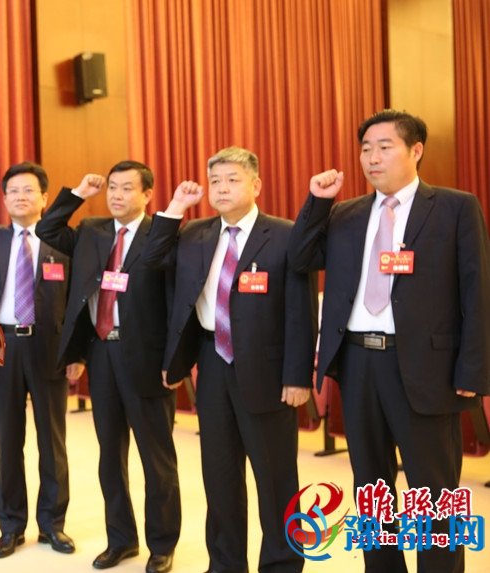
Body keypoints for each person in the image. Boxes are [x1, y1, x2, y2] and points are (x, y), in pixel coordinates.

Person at [288, 109, 490, 573]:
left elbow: (477, 291)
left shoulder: (455, 208)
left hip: (427, 368)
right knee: (371, 488)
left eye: (384, 147)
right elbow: (299, 258)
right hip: (359, 364)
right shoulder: (345, 214)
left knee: (434, 494)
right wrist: (318, 202)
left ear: (416, 150)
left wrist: (474, 370)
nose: (372, 158)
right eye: (365, 149)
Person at [141, 147, 316, 573]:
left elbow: (301, 310)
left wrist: (298, 376)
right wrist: (175, 208)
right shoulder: (194, 234)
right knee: (219, 476)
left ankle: (282, 565)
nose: (222, 188)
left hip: (269, 371)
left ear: (256, 185)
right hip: (212, 362)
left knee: (276, 479)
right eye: (215, 181)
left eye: (232, 180)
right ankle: (225, 564)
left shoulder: (285, 235)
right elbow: (151, 260)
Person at [35, 161, 180, 573]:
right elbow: (47, 229)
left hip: (146, 359)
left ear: (147, 194)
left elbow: (174, 302)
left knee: (157, 459)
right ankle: (121, 539)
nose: (116, 195)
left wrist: (174, 361)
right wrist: (78, 193)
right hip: (101, 354)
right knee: (109, 456)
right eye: (112, 187)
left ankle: (162, 544)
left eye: (127, 188)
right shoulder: (92, 231)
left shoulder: (161, 234)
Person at [0, 161, 75, 559]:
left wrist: (75, 352)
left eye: (29, 190)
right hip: (5, 346)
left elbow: (76, 298)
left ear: (45, 198)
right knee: (8, 440)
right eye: (13, 191)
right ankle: (11, 526)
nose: (20, 197)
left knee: (53, 440)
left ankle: (53, 524)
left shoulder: (60, 241)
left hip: (49, 347)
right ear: (4, 198)